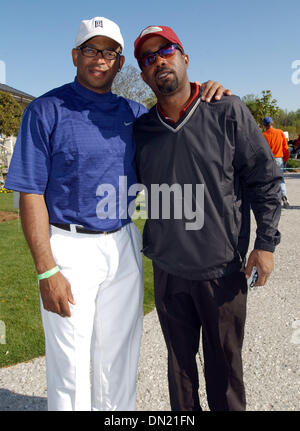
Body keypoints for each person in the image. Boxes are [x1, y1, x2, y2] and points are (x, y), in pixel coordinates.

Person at [5, 17, 229, 411]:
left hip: (124, 243)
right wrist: (46, 269)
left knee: (119, 360)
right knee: (71, 364)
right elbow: (30, 194)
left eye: (109, 52)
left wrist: (206, 90)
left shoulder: (134, 113)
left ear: (121, 62)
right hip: (69, 249)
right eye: (91, 49)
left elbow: (179, 126)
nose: (100, 59)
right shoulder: (45, 110)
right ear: (76, 55)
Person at [133, 25, 282, 411]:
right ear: (144, 73)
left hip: (220, 271)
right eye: (148, 59)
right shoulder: (142, 130)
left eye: (165, 51)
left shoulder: (226, 110)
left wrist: (265, 244)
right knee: (179, 374)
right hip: (168, 271)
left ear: (185, 58)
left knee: (225, 376)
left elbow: (264, 180)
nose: (158, 61)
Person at [262, 116, 290, 209]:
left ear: (264, 125)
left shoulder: (263, 135)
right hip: (278, 159)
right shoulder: (280, 132)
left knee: (267, 180)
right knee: (280, 179)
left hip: (267, 160)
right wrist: (286, 158)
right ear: (272, 123)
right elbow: (285, 148)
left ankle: (270, 200)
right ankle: (284, 198)